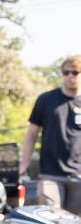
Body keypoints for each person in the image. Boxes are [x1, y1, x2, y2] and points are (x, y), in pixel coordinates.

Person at [20, 57, 81, 214]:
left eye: (75, 72)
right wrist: (24, 164)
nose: (70, 76)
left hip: (78, 175)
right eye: (66, 72)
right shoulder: (46, 100)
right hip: (50, 174)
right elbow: (31, 134)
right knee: (52, 219)